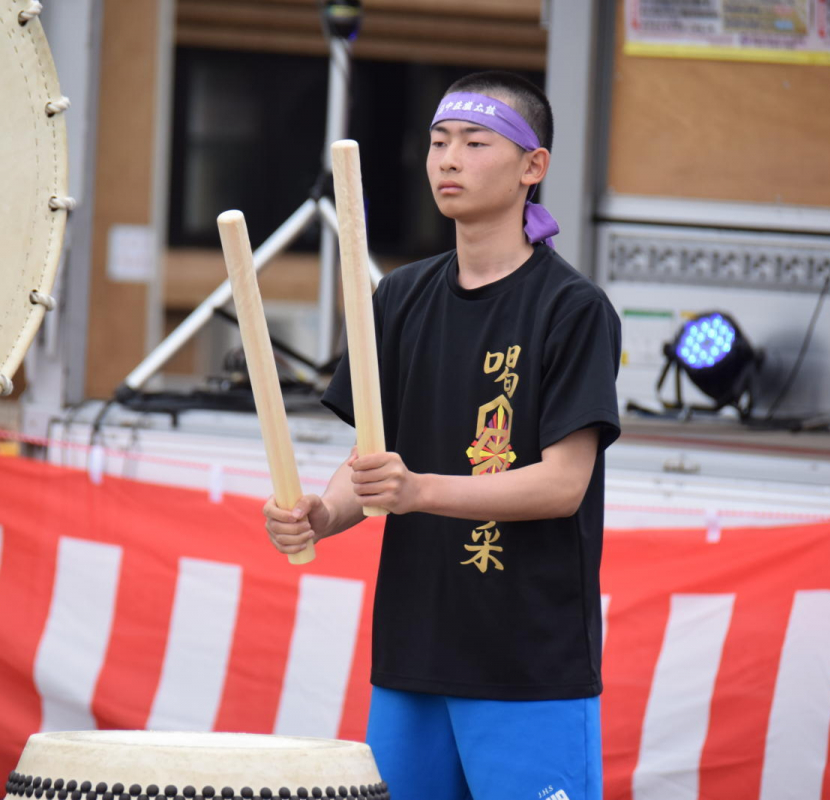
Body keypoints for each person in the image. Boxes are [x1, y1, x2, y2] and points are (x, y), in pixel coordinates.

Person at [262, 70, 621, 800]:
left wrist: (417, 489)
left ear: (533, 167)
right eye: (437, 142)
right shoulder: (398, 297)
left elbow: (562, 484)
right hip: (412, 657)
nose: (448, 159)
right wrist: (321, 516)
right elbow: (370, 457)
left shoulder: (572, 309)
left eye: (474, 142)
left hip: (526, 664)